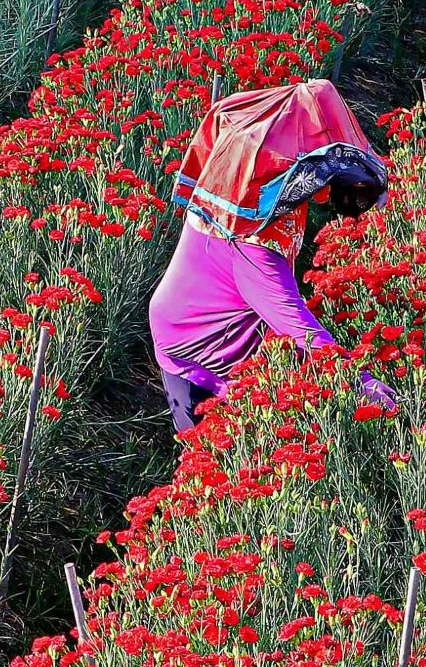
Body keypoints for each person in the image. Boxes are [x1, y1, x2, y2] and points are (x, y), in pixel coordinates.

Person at [147, 77, 388, 435]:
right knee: (216, 451)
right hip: (197, 345)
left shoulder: (249, 201)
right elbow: (298, 327)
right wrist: (363, 383)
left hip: (213, 319)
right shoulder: (253, 244)